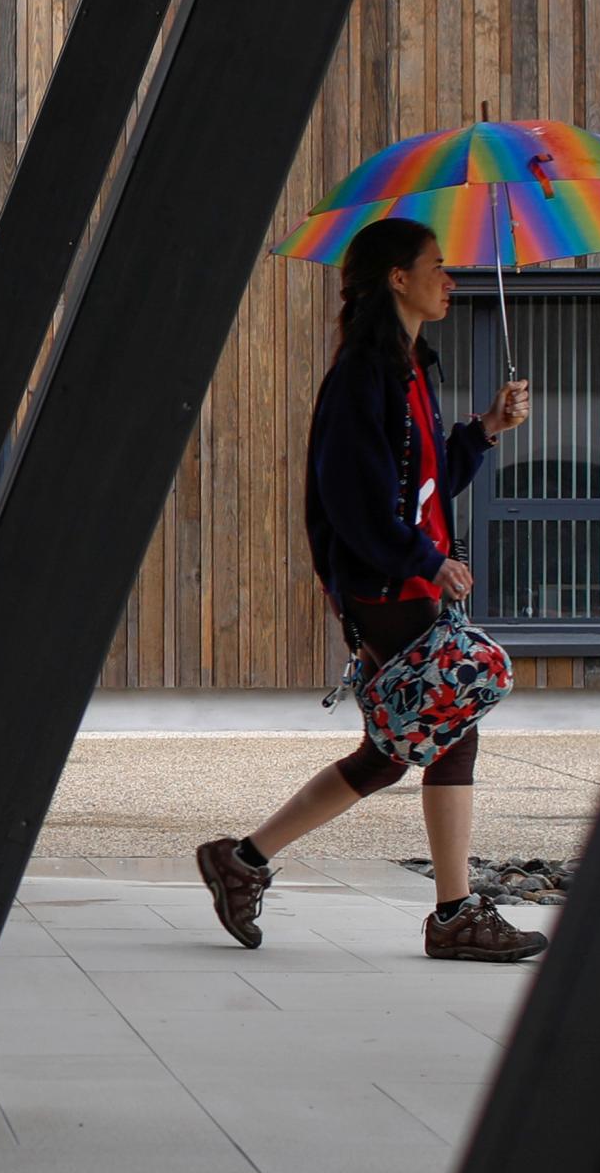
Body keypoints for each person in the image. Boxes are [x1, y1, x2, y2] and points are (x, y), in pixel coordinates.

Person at [195, 216, 546, 963]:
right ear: (397, 278)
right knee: (452, 722)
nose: (451, 280)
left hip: (401, 574)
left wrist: (484, 429)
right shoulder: (364, 375)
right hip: (387, 582)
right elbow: (355, 498)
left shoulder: (411, 365)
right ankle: (454, 915)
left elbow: (422, 481)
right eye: (438, 266)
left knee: (389, 751)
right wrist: (425, 556)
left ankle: (242, 860)